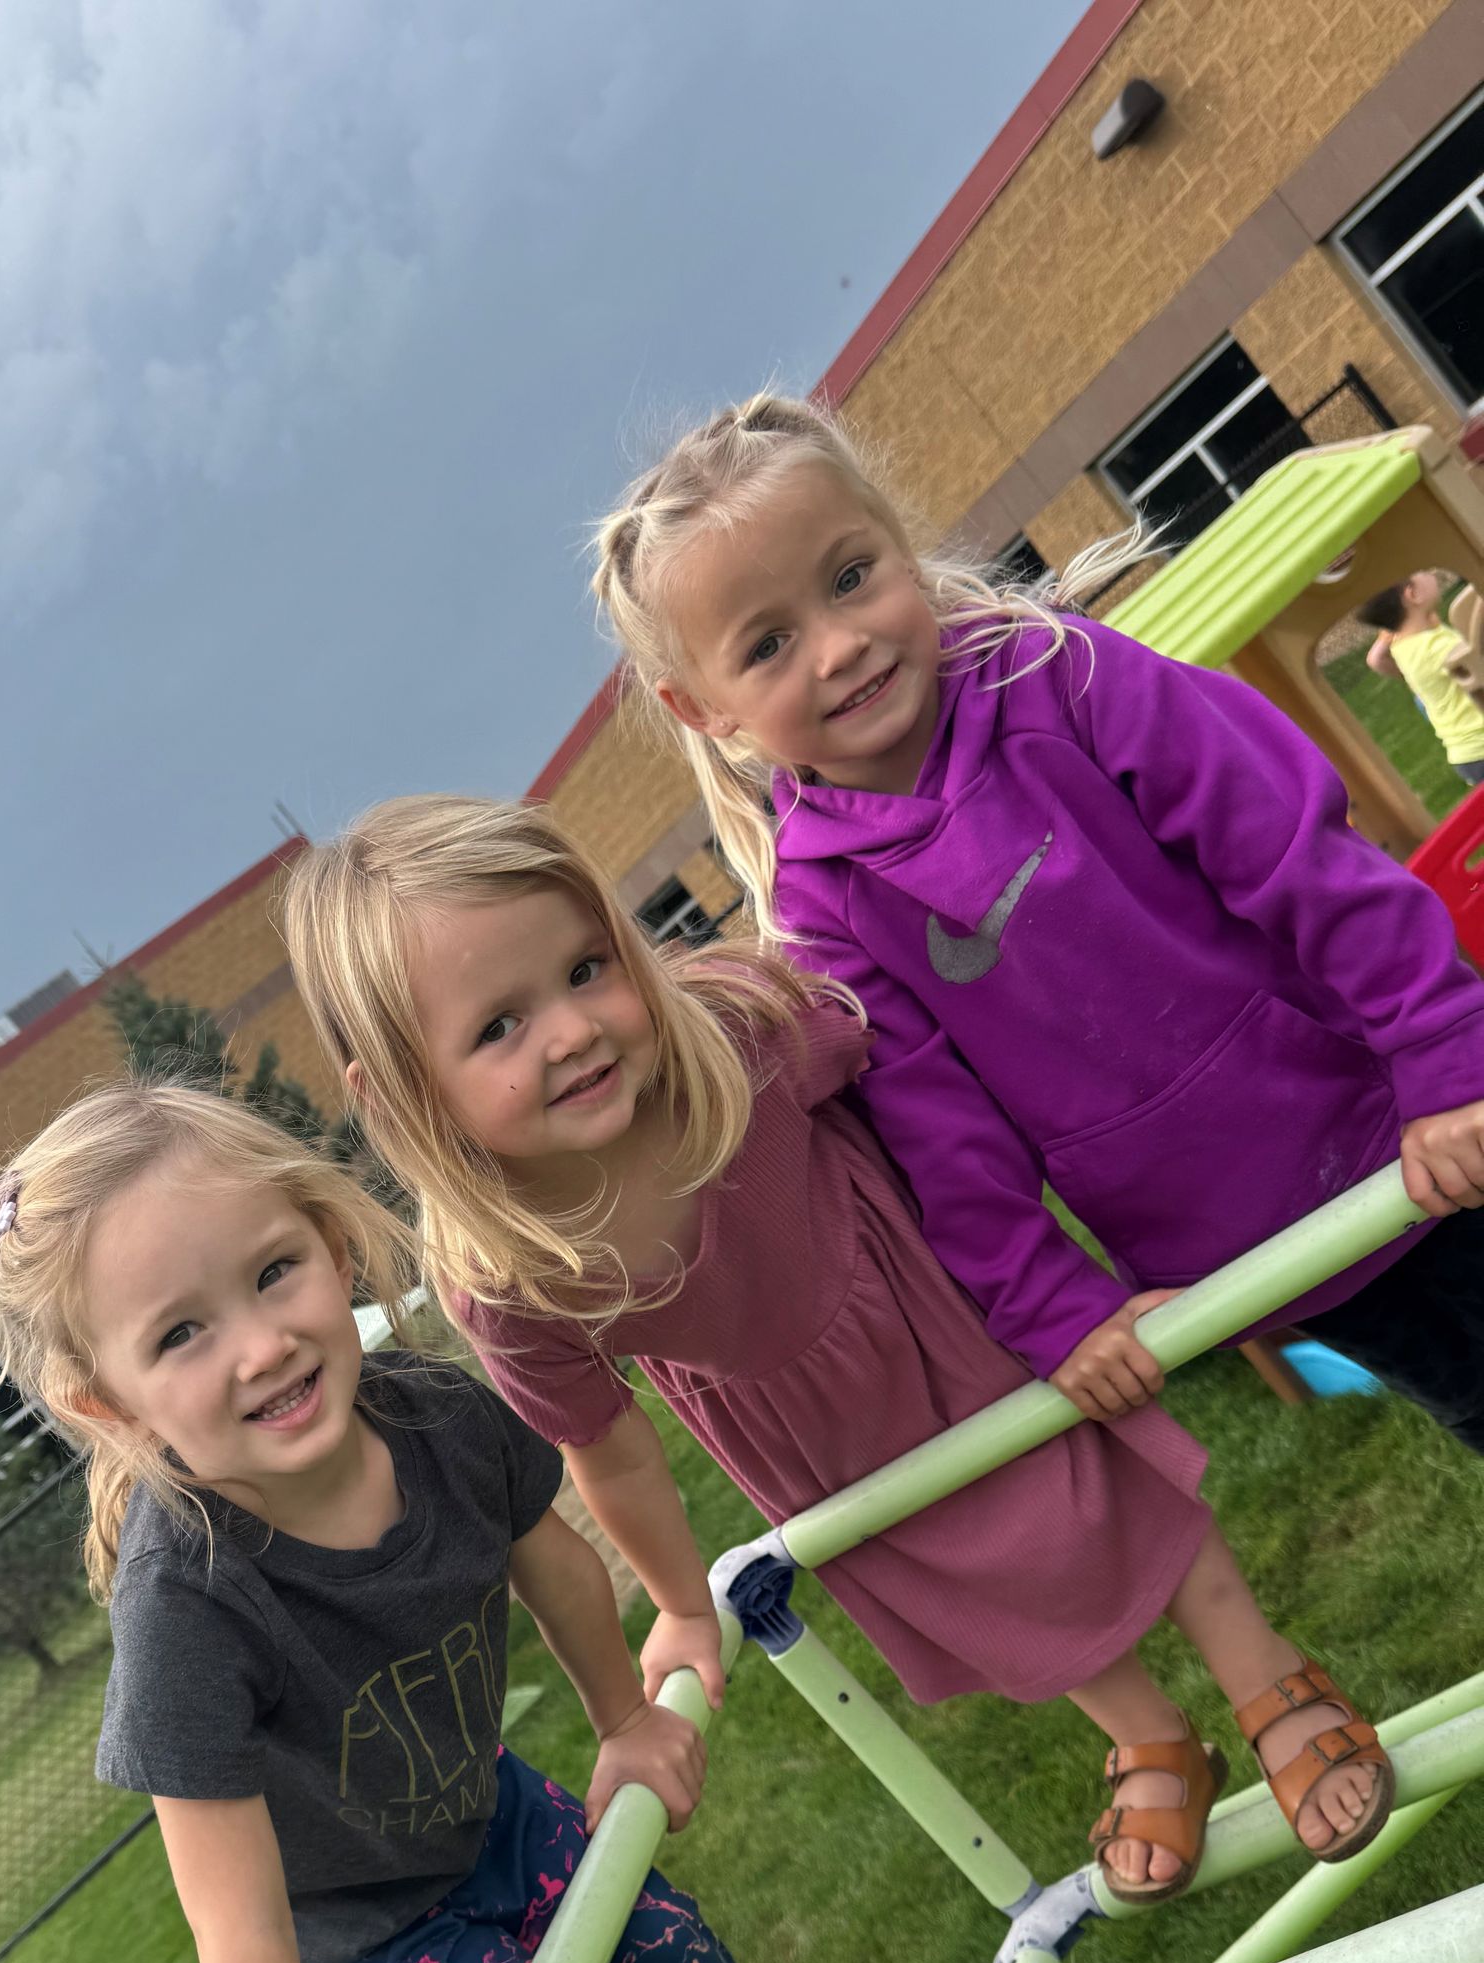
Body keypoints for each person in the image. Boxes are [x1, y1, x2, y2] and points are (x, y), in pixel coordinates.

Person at [0, 1079, 1045, 1963]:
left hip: (491, 1813)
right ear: (108, 1400)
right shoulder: (192, 1601)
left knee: (670, 1948)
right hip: (375, 1935)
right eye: (182, 1333)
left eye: (272, 1272)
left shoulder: (428, 1415)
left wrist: (618, 1716)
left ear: (329, 1244)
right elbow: (233, 1932)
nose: (260, 1346)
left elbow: (543, 1548)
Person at [281, 797, 1393, 1912]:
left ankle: (1265, 1675)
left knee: (1115, 1486)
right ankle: (1152, 1738)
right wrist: (675, 1601)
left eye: (584, 969)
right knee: (1003, 1583)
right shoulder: (508, 1274)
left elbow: (916, 1064)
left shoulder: (739, 1036)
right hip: (823, 1441)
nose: (571, 1032)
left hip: (949, 1311)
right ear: (407, 1094)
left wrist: (1031, 1269)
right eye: (497, 1028)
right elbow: (607, 1452)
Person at [589, 392, 1484, 1469]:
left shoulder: (1069, 679)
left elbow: (1299, 856)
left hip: (1414, 1122)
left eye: (850, 576)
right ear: (703, 708)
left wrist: (1443, 1053)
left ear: (900, 549)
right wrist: (1052, 1302)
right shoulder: (825, 908)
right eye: (770, 643)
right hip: (1260, 1246)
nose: (838, 646)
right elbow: (940, 1130)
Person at [1358, 572, 1484, 789]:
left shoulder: (1404, 647)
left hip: (1466, 755)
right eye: (1423, 571)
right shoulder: (1437, 649)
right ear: (1413, 594)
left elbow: (1376, 658)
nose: (1432, 573)